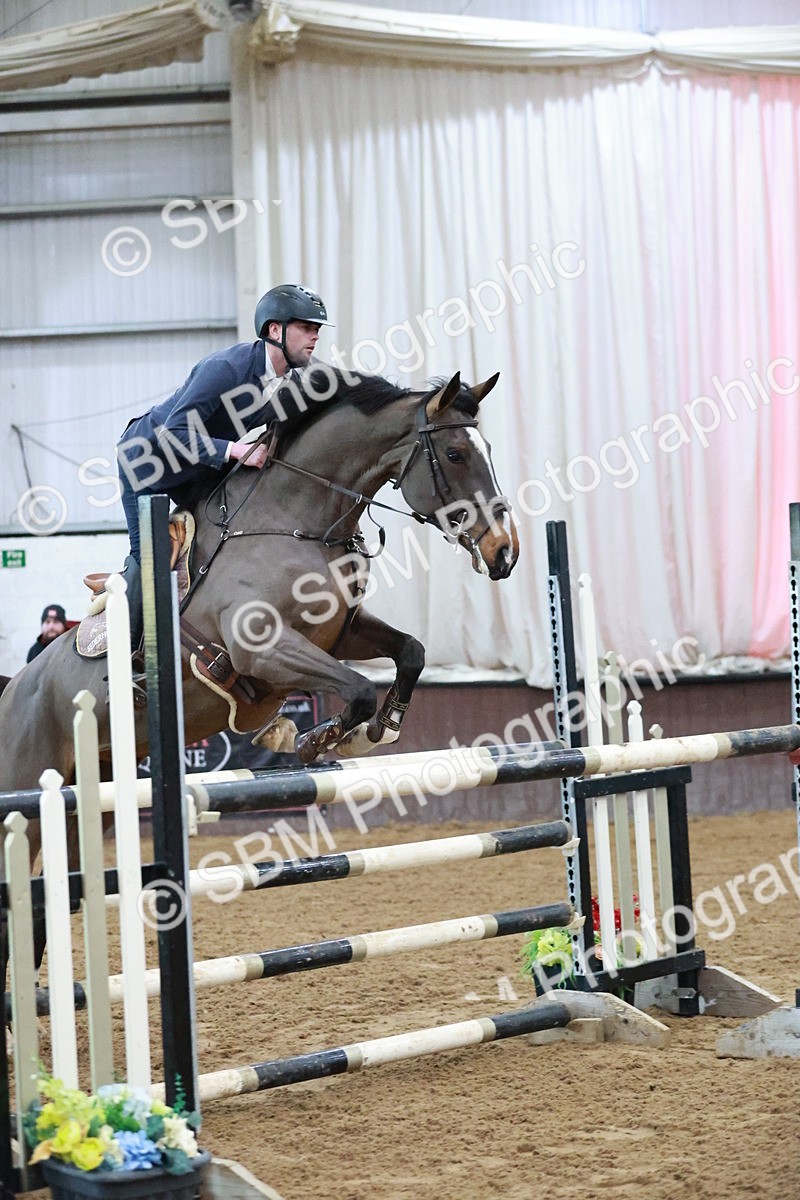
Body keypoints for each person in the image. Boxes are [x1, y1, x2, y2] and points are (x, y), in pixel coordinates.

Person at [114, 284, 332, 650]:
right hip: (147, 463)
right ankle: (135, 653)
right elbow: (174, 432)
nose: (315, 337)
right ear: (274, 330)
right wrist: (233, 449)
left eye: (318, 330)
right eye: (307, 328)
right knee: (152, 559)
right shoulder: (225, 369)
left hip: (199, 466)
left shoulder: (294, 379)